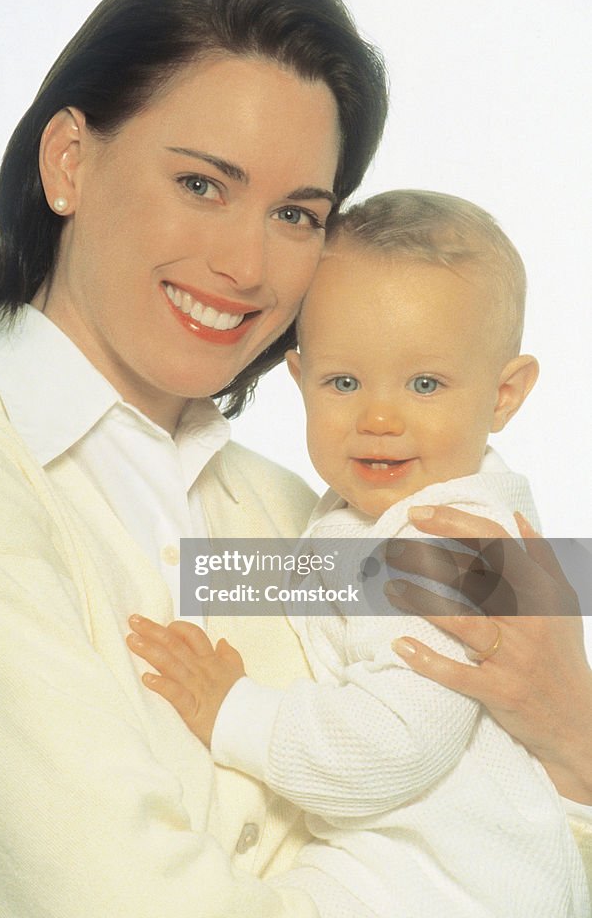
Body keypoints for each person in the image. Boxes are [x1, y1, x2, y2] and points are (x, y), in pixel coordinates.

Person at [0, 0, 590, 918]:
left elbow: (508, 806)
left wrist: (575, 736)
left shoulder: (300, 509)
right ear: (69, 162)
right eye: (200, 183)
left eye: (296, 213)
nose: (245, 263)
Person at [126, 190, 589, 916]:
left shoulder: (448, 544)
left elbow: (394, 746)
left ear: (504, 395)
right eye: (343, 382)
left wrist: (233, 712)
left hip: (436, 892)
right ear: (300, 380)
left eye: (425, 384)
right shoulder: (401, 519)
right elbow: (321, 583)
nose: (378, 417)